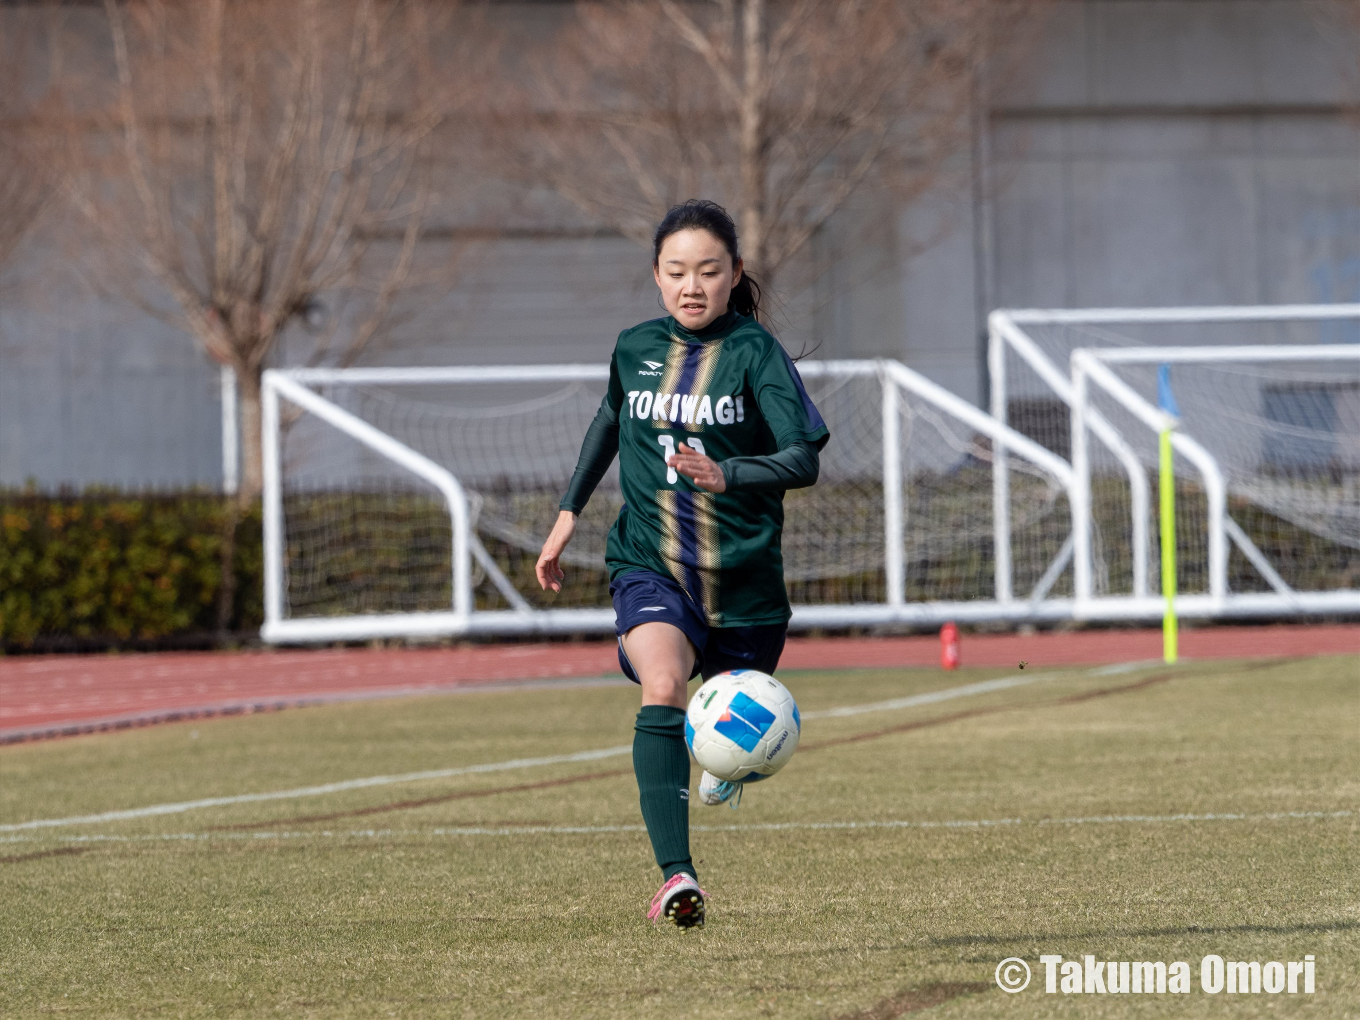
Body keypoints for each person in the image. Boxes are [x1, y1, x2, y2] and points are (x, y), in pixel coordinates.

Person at [535, 200, 829, 929]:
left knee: (734, 721)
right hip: (651, 561)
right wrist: (567, 515)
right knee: (662, 682)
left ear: (734, 276)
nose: (691, 285)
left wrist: (730, 474)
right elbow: (610, 420)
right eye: (676, 271)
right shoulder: (634, 348)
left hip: (746, 581)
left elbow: (803, 458)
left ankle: (721, 762)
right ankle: (677, 875)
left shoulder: (757, 355)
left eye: (708, 270)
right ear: (657, 277)